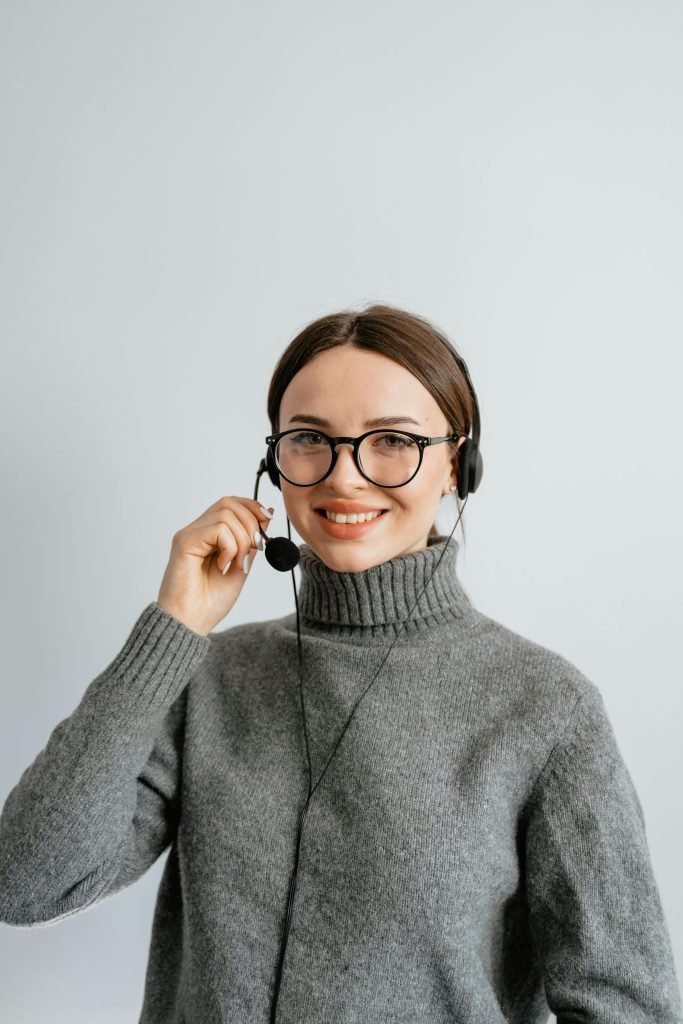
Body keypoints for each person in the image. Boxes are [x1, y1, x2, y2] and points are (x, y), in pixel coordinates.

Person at [0, 303, 681, 1024]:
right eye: (308, 440)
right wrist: (170, 631)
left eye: (391, 440)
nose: (344, 476)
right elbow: (24, 882)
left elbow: (627, 1007)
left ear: (456, 465)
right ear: (274, 464)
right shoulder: (208, 677)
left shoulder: (544, 706)